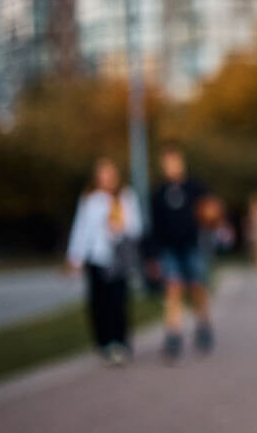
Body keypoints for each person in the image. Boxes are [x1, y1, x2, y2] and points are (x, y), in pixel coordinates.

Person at [65, 157, 142, 366]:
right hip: (97, 257)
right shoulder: (90, 199)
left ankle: (121, 342)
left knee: (118, 301)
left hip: (118, 258)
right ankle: (104, 343)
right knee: (99, 303)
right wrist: (75, 256)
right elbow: (81, 229)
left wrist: (120, 228)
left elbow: (136, 228)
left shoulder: (126, 198)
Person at [150, 143, 213, 363]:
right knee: (173, 288)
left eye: (174, 161)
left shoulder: (195, 187)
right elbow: (155, 226)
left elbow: (210, 211)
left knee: (197, 287)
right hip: (169, 248)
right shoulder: (159, 192)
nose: (171, 166)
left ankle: (203, 325)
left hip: (192, 245)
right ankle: (173, 334)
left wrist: (212, 217)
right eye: (167, 162)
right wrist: (152, 255)